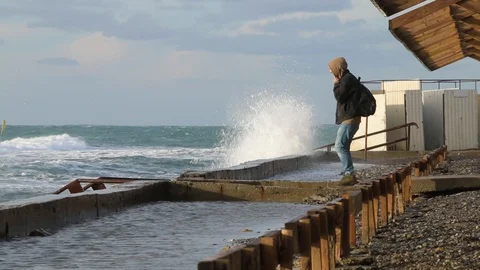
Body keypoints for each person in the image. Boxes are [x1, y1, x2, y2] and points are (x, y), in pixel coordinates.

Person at [328, 57, 361, 186]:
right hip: (350, 118)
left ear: (338, 68)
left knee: (339, 146)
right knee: (343, 146)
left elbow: (339, 97)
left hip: (350, 119)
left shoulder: (346, 80)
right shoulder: (348, 78)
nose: (330, 72)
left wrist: (336, 83)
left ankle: (349, 173)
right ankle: (349, 174)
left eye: (331, 69)